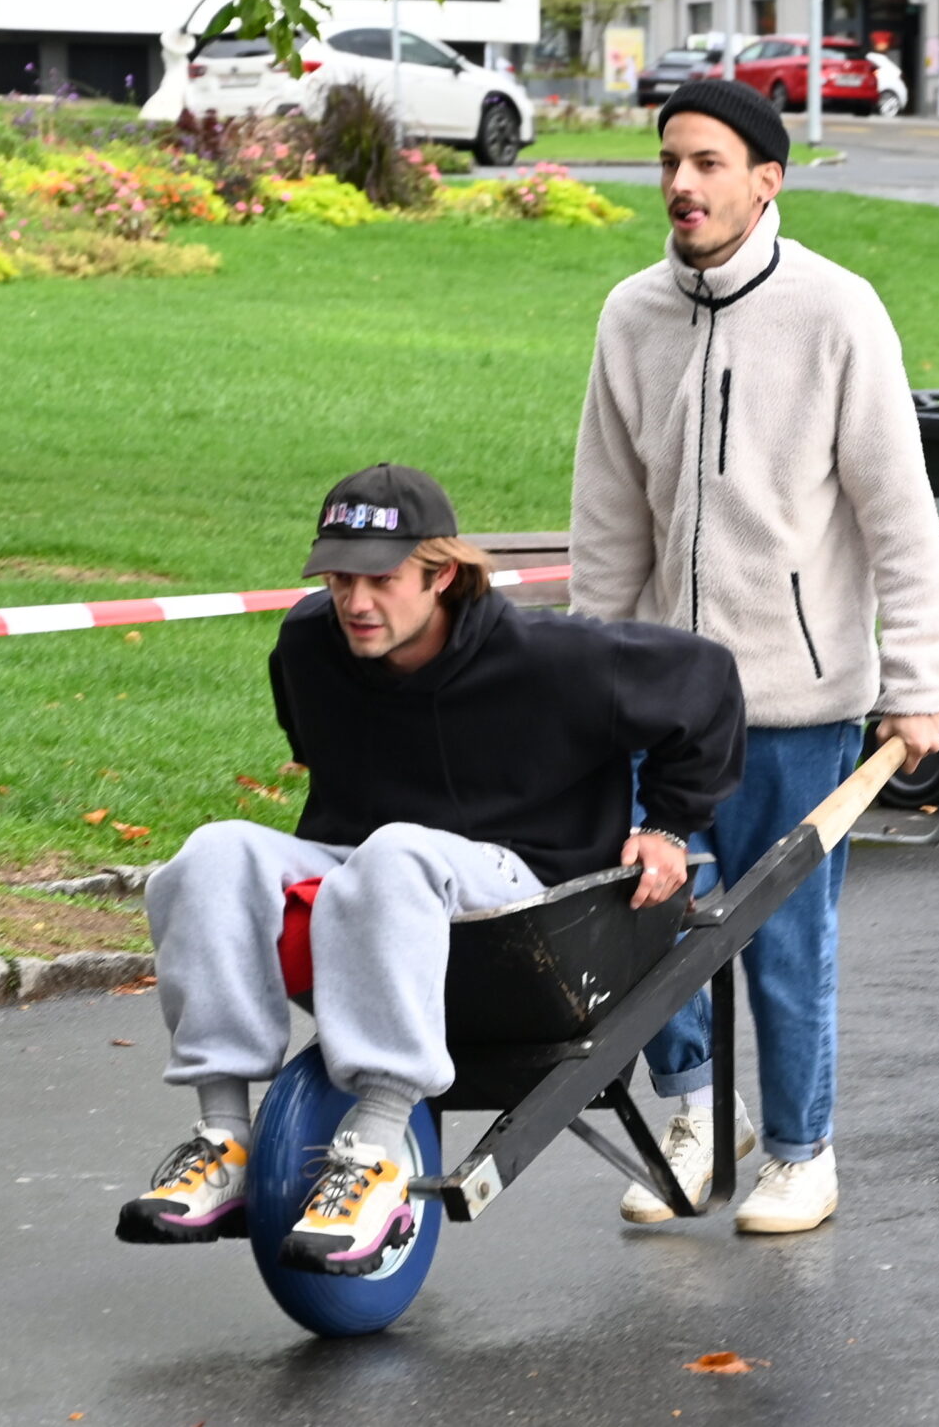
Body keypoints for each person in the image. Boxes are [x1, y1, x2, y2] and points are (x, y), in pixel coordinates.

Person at [116, 463, 743, 1273]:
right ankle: (226, 1138)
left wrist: (665, 823)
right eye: (338, 578)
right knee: (213, 852)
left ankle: (378, 1147)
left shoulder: (555, 658)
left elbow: (708, 682)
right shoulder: (310, 646)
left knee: (397, 852)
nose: (355, 603)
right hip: (375, 866)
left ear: (442, 575)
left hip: (527, 887)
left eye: (380, 580)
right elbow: (311, 741)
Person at [570, 77, 939, 1235]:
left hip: (796, 703)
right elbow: (606, 524)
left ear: (765, 180)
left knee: (785, 941)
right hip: (658, 704)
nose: (681, 185)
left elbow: (900, 516)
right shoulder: (629, 315)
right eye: (669, 164)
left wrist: (918, 682)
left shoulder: (839, 313)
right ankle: (694, 1125)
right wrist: (594, 681)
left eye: (705, 164)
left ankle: (800, 1152)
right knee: (651, 929)